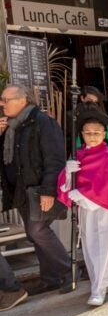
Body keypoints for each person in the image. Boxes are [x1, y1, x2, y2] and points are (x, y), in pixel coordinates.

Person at [57, 104, 108, 306]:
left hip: (105, 208)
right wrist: (67, 174)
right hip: (86, 210)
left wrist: (82, 194)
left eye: (96, 133)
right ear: (81, 134)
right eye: (88, 133)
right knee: (91, 247)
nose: (92, 136)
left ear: (104, 133)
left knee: (107, 245)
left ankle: (99, 287)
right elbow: (65, 183)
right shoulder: (79, 155)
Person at [0, 85, 71, 295]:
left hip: (39, 188)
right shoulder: (12, 127)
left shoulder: (42, 121)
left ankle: (68, 271)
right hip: (21, 190)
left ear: (22, 100)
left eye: (5, 100)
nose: (1, 104)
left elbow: (55, 159)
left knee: (38, 231)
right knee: (36, 234)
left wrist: (49, 191)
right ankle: (51, 278)